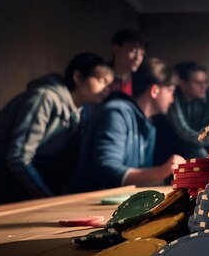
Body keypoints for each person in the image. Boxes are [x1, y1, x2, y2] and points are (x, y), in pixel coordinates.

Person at [0, 53, 113, 204]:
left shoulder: (84, 111)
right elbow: (18, 158)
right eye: (101, 80)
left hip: (28, 179)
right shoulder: (44, 98)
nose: (107, 88)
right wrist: (49, 199)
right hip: (0, 176)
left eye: (109, 84)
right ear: (78, 77)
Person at [69, 58, 184, 193]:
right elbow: (107, 171)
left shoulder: (148, 123)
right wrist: (162, 171)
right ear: (154, 91)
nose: (173, 99)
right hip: (86, 204)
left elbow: (138, 179)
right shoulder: (116, 113)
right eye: (170, 91)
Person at [153, 61, 209, 162]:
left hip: (198, 146)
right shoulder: (172, 98)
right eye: (198, 82)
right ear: (183, 84)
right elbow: (183, 132)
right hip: (172, 149)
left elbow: (207, 130)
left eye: (205, 82)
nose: (203, 87)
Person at [109, 29, 146, 96]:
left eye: (142, 54)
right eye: (133, 51)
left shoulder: (141, 81)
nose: (137, 58)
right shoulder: (101, 76)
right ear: (116, 50)